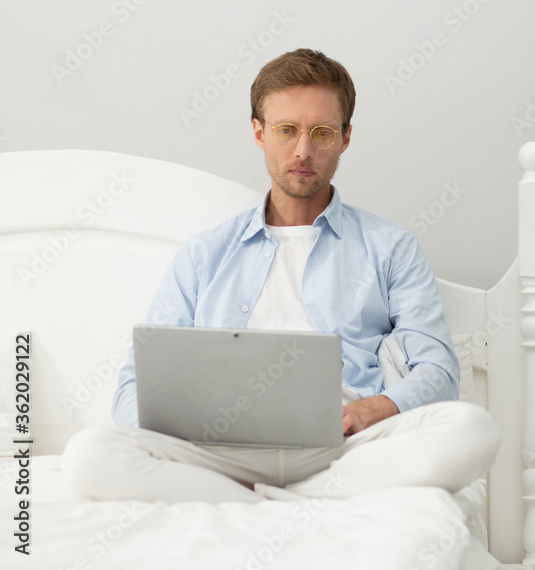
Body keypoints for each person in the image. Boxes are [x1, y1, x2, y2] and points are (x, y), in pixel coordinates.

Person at [62, 48, 500, 504]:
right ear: (259, 132)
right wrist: (185, 431)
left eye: (322, 132)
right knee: (89, 455)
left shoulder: (390, 248)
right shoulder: (203, 254)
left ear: (346, 137)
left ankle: (258, 496)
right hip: (217, 449)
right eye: (286, 130)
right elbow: (133, 388)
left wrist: (367, 412)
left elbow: (438, 371)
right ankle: (273, 500)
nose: (303, 150)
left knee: (472, 430)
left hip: (343, 446)